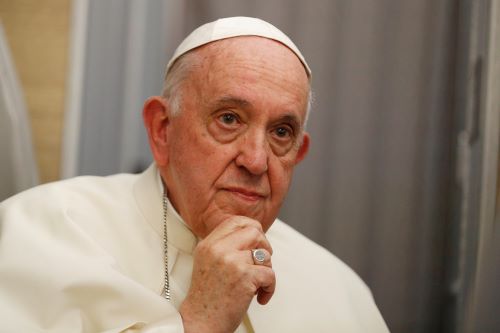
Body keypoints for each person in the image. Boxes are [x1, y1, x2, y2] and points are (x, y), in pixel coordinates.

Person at [0, 17, 389, 332]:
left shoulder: (341, 290)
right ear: (162, 130)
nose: (256, 161)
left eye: (281, 132)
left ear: (298, 154)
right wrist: (201, 323)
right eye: (229, 119)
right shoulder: (44, 229)